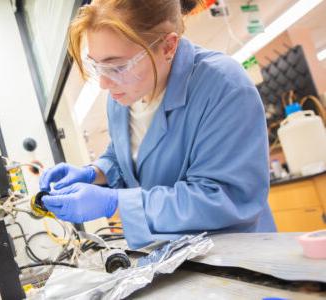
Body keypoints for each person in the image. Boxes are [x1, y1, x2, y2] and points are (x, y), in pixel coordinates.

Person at [39, 0, 276, 250]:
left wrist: (115, 202)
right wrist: (94, 173)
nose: (105, 84)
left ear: (167, 46)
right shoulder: (120, 99)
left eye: (118, 66)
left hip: (232, 257)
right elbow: (124, 156)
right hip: (171, 255)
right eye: (97, 66)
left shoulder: (223, 85)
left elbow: (223, 198)